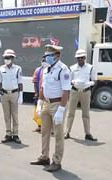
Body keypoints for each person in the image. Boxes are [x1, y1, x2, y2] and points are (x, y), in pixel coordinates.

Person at [30, 44, 71, 172]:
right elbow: (43, 87)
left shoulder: (63, 70)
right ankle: (44, 157)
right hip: (46, 103)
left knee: (58, 134)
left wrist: (61, 109)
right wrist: (40, 102)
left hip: (58, 104)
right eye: (46, 55)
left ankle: (57, 161)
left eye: (49, 55)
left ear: (57, 55)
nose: (46, 58)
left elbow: (66, 91)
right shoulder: (47, 69)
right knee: (44, 131)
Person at [64, 49, 97, 141]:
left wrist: (88, 84)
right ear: (76, 58)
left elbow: (94, 80)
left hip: (86, 91)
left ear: (85, 58)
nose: (80, 59)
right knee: (71, 113)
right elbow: (68, 81)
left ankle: (87, 133)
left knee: (86, 113)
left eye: (82, 58)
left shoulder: (90, 68)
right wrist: (73, 82)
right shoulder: (72, 68)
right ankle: (67, 132)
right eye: (78, 58)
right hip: (74, 91)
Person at [0, 49, 23, 144]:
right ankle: (8, 134)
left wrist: (21, 95)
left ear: (12, 58)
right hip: (4, 94)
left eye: (8, 58)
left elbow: (20, 83)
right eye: (5, 58)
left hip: (14, 93)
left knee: (14, 115)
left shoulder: (18, 69)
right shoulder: (1, 68)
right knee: (6, 115)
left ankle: (15, 134)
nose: (6, 59)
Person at [32, 56, 48, 132]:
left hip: (48, 95)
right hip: (39, 94)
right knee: (38, 111)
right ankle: (39, 126)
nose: (44, 62)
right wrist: (36, 93)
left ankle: (46, 127)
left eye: (45, 60)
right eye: (42, 60)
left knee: (46, 111)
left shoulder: (50, 70)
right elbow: (35, 82)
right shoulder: (38, 70)